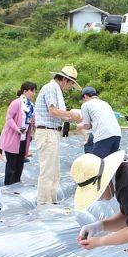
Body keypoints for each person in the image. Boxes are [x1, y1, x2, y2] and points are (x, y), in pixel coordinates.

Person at [34, 65, 80, 205]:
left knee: (54, 171)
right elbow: (53, 110)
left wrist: (71, 117)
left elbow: (58, 114)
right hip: (47, 132)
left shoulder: (56, 90)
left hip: (52, 131)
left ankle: (51, 201)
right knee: (48, 171)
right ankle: (44, 203)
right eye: (71, 84)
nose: (71, 87)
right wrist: (71, 114)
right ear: (65, 80)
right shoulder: (50, 88)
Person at [1, 82, 36, 185]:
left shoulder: (31, 106)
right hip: (13, 139)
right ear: (25, 91)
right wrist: (18, 129)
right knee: (11, 166)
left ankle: (16, 188)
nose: (34, 93)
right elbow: (9, 118)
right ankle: (8, 188)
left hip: (23, 139)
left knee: (20, 165)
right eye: (32, 91)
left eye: (34, 91)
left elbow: (33, 120)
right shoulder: (16, 103)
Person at [79, 86, 122, 158]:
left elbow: (87, 126)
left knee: (97, 162)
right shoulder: (105, 103)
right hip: (117, 134)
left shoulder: (85, 105)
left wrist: (80, 126)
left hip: (103, 135)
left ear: (85, 96)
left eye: (83, 99)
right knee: (111, 162)